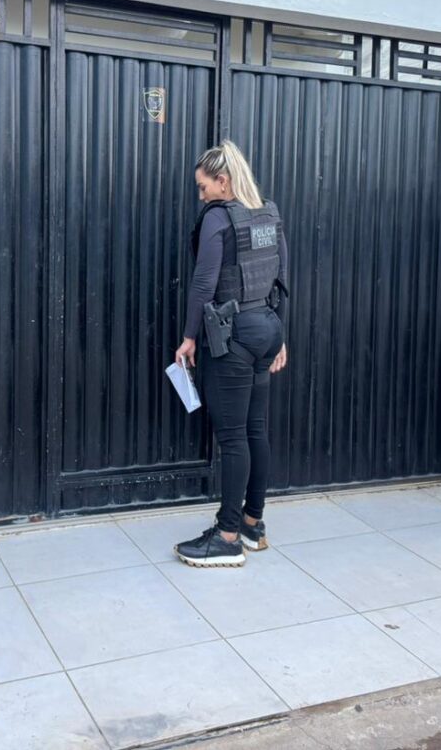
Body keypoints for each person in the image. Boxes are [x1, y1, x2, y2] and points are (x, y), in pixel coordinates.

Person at [173, 141, 288, 567]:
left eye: (203, 187)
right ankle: (253, 524)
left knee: (233, 436)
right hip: (266, 329)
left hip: (234, 334)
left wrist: (189, 337)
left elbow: (204, 283)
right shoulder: (268, 213)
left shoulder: (218, 218)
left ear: (223, 181)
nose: (201, 195)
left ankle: (226, 536)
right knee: (256, 429)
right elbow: (282, 277)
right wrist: (281, 336)